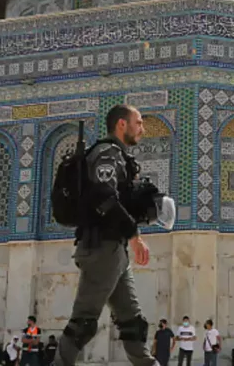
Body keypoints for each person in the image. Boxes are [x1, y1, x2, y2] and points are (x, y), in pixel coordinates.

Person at [52, 105, 157, 366]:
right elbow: (104, 197)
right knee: (83, 322)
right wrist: (134, 235)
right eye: (139, 123)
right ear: (122, 124)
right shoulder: (108, 154)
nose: (142, 129)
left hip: (114, 249)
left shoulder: (119, 156)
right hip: (101, 248)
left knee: (132, 322)